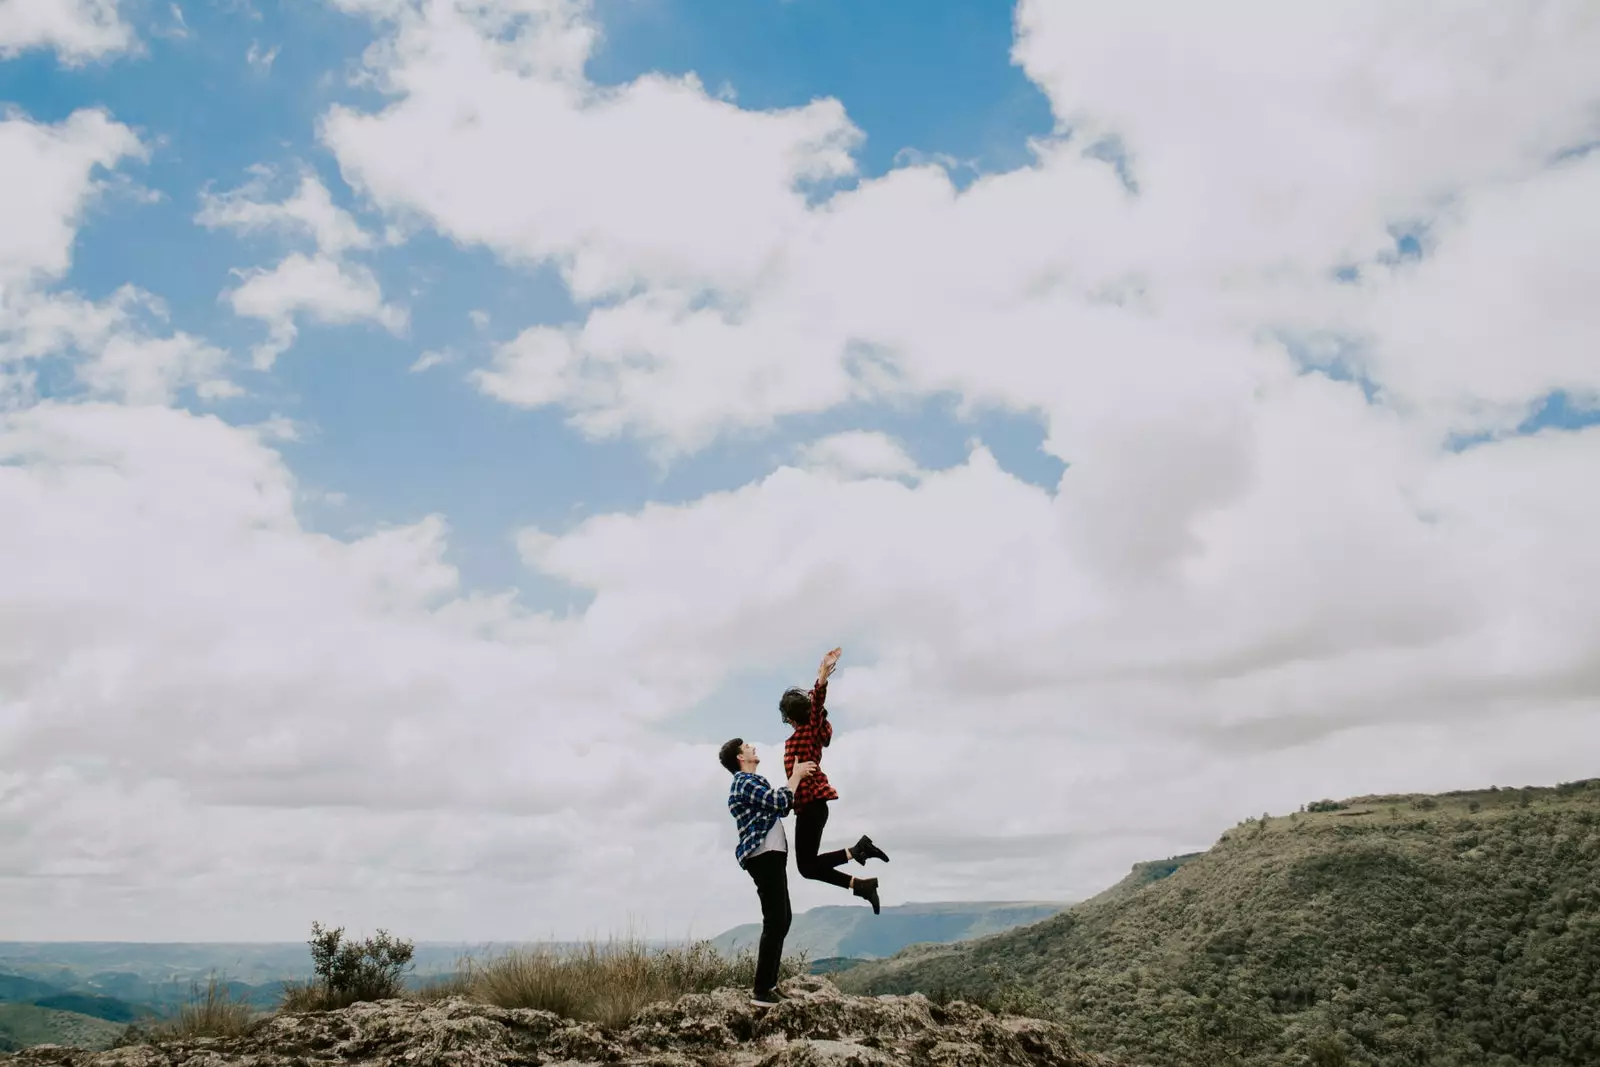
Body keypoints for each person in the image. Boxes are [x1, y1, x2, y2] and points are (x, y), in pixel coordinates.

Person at [781, 646, 890, 914]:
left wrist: (822, 676)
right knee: (808, 867)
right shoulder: (808, 734)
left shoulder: (807, 732)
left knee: (806, 867)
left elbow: (817, 704)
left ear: (792, 718)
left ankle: (859, 854)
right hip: (810, 808)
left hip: (812, 806)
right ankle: (861, 882)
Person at [719, 736, 815, 1007]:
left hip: (772, 854)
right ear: (740, 758)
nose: (752, 747)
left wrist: (791, 791)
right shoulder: (743, 782)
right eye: (747, 747)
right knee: (775, 919)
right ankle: (761, 990)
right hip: (763, 856)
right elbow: (778, 801)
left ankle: (770, 984)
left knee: (782, 918)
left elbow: (783, 806)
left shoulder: (753, 782)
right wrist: (795, 776)